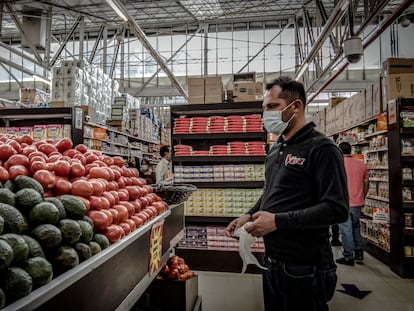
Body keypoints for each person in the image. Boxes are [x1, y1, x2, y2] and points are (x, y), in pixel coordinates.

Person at [225, 76, 349, 311]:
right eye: (264, 109)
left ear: (296, 106)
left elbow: (337, 208)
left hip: (306, 267)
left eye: (273, 107)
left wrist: (277, 222)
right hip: (272, 262)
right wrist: (249, 216)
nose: (266, 115)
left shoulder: (322, 149)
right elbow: (272, 192)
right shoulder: (276, 149)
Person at [336, 141, 369, 266]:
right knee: (355, 226)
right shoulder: (361, 164)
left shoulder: (338, 164)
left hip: (343, 202)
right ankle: (359, 252)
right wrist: (363, 196)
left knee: (346, 229)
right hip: (357, 202)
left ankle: (348, 256)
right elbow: (366, 183)